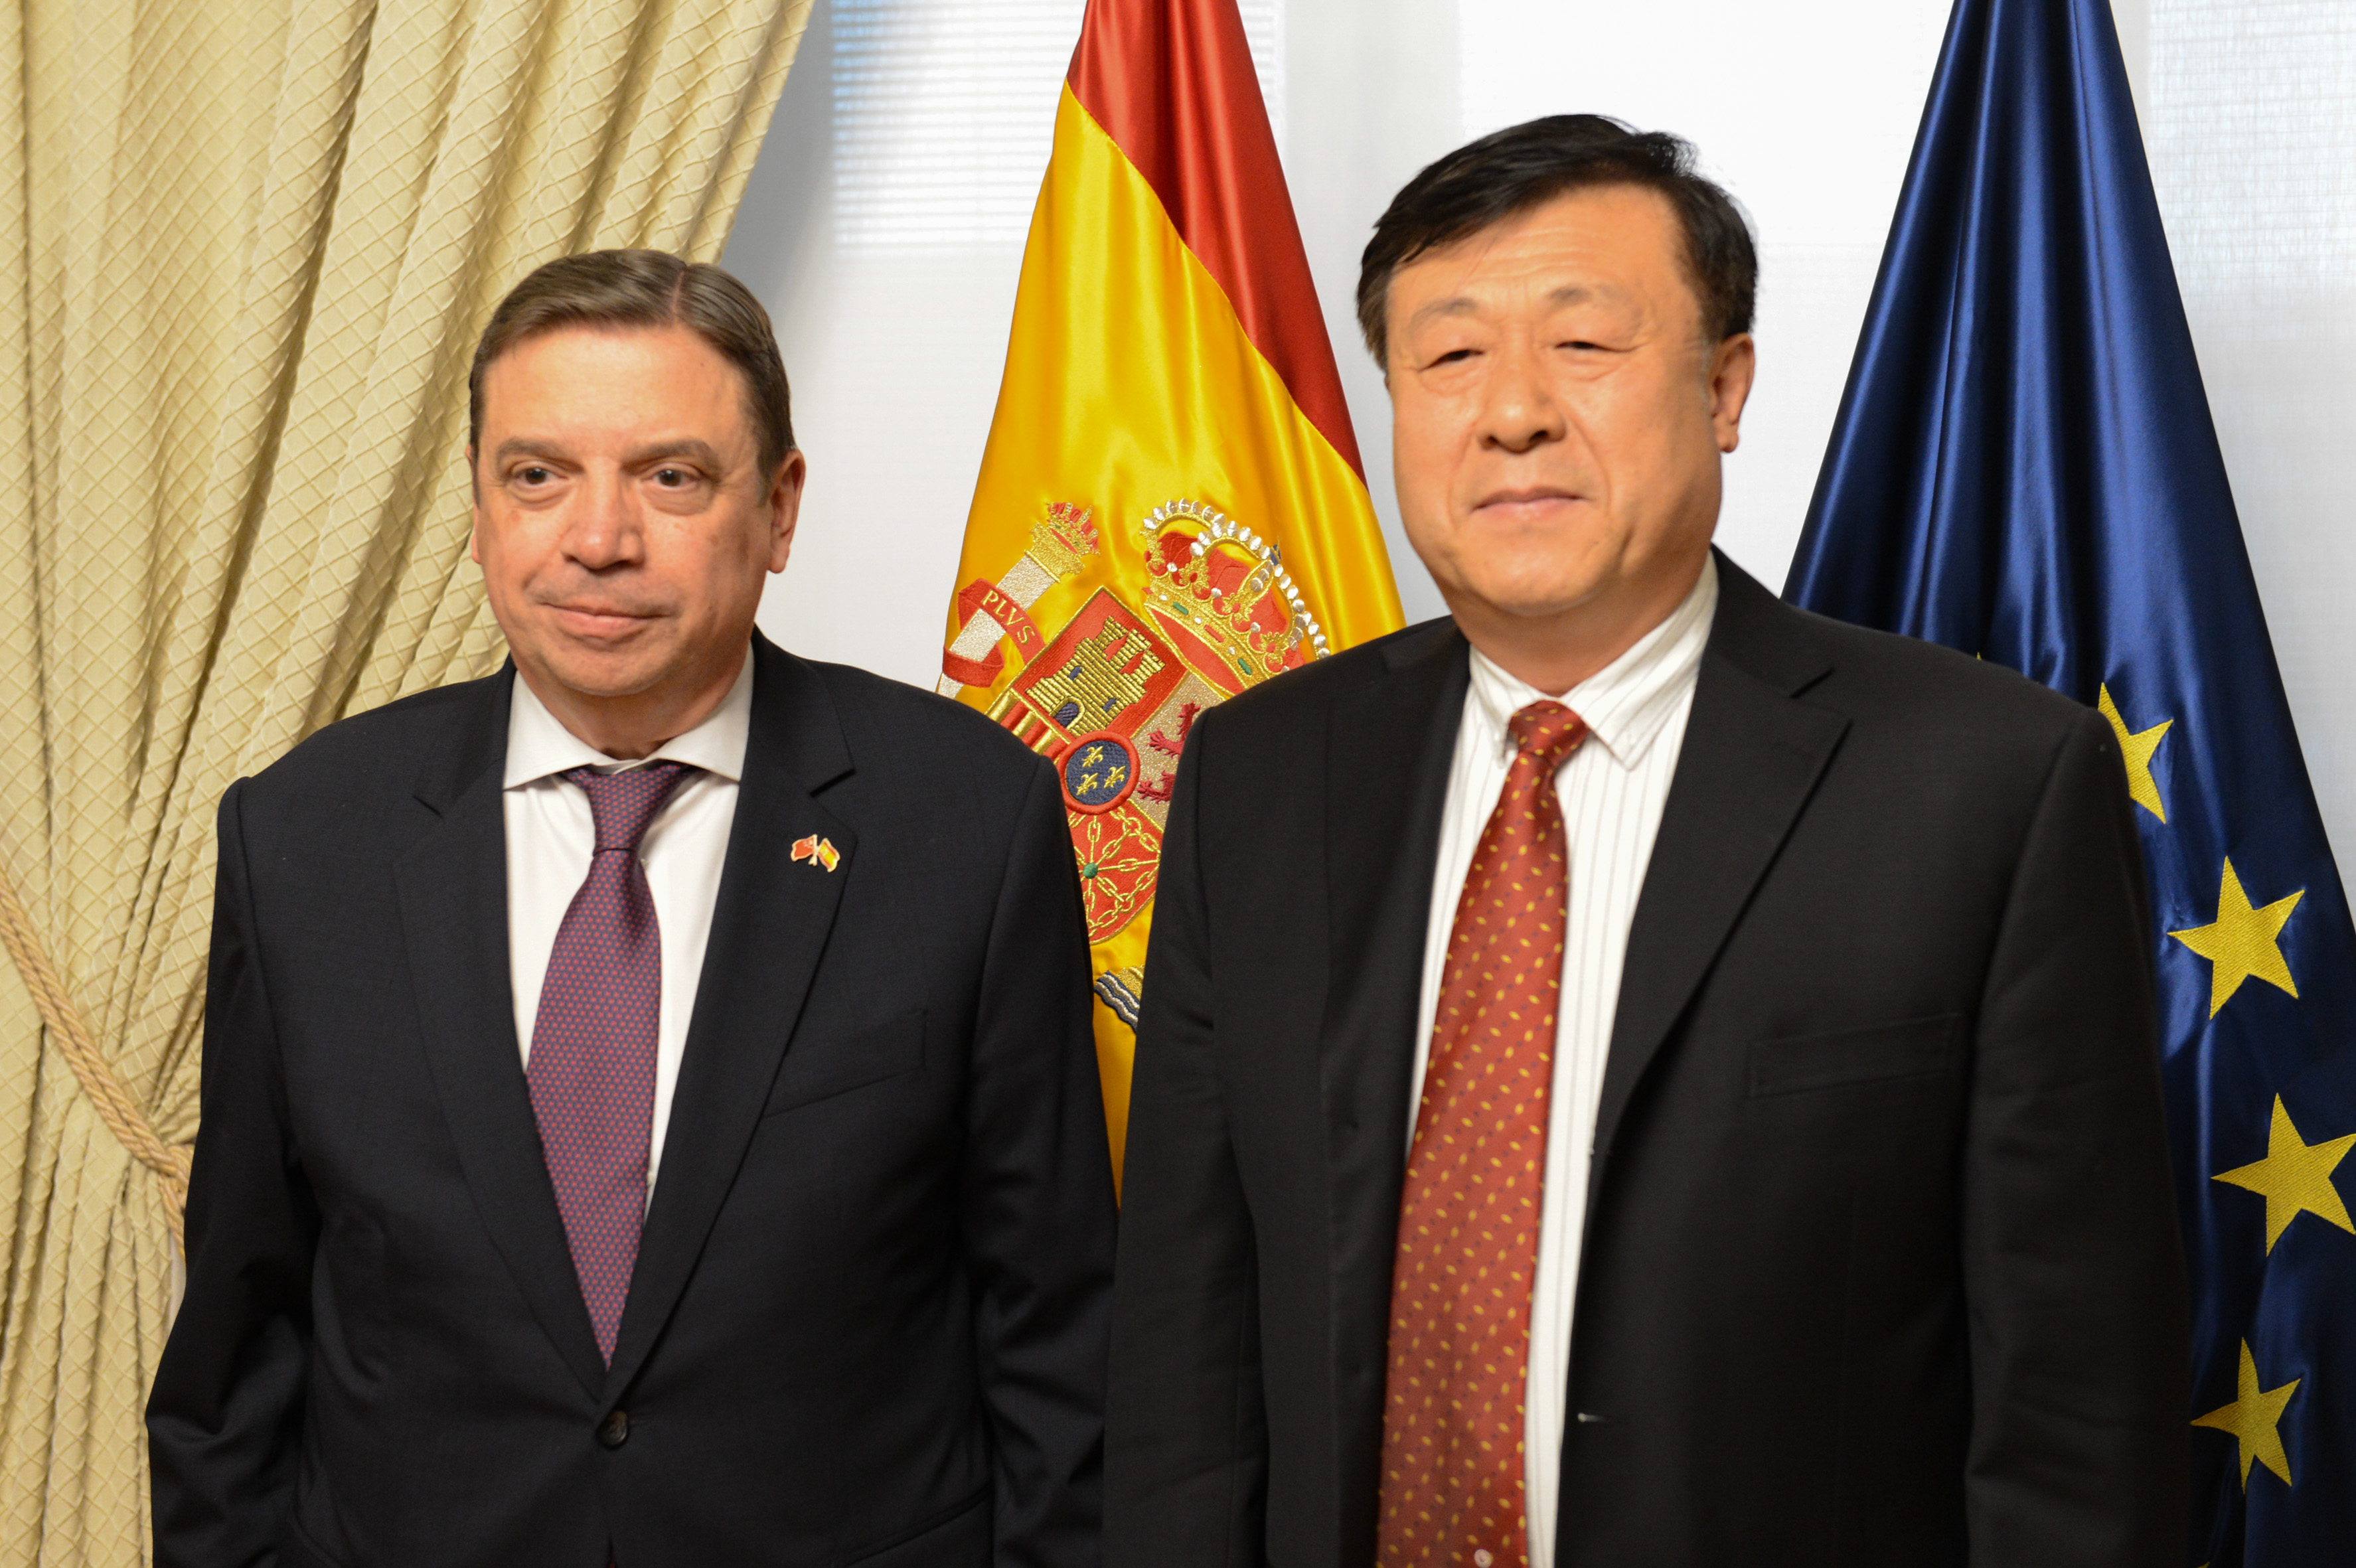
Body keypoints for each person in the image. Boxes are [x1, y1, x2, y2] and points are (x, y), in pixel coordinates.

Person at [1104, 117, 2187, 1568]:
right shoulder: (1258, 772)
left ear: (1724, 386)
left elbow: (2077, 1409)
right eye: (1448, 356)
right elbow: (1188, 1346)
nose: (1512, 413)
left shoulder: (1983, 781)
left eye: (1583, 345)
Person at [148, 250, 1115, 1567]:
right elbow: (235, 1348)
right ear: (478, 509)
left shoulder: (968, 820)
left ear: (778, 510)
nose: (597, 540)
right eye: (536, 475)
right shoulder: (305, 834)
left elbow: (1058, 1336)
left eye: (670, 477)